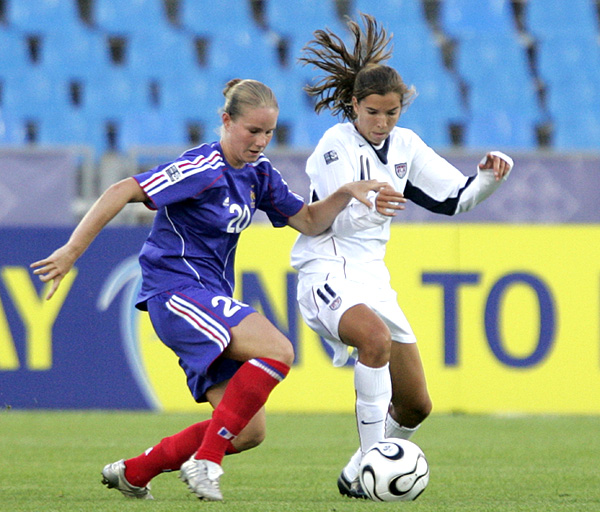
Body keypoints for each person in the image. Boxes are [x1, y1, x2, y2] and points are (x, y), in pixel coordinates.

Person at [30, 78, 399, 502]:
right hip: (175, 290)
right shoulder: (202, 168)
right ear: (226, 121)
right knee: (278, 350)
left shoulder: (258, 175)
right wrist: (72, 251)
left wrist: (347, 192)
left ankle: (135, 471)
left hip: (206, 294)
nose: (260, 141)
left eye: (269, 133)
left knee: (246, 432)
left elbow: (311, 221)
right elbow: (123, 189)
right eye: (252, 131)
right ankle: (206, 461)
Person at [290, 14, 514, 499]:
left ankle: (356, 475)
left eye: (391, 113)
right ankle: (375, 465)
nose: (381, 121)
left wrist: (490, 178)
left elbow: (456, 199)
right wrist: (365, 196)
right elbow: (323, 215)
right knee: (372, 340)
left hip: (371, 276)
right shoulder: (335, 146)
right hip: (325, 267)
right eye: (372, 111)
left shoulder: (406, 146)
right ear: (354, 104)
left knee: (415, 405)